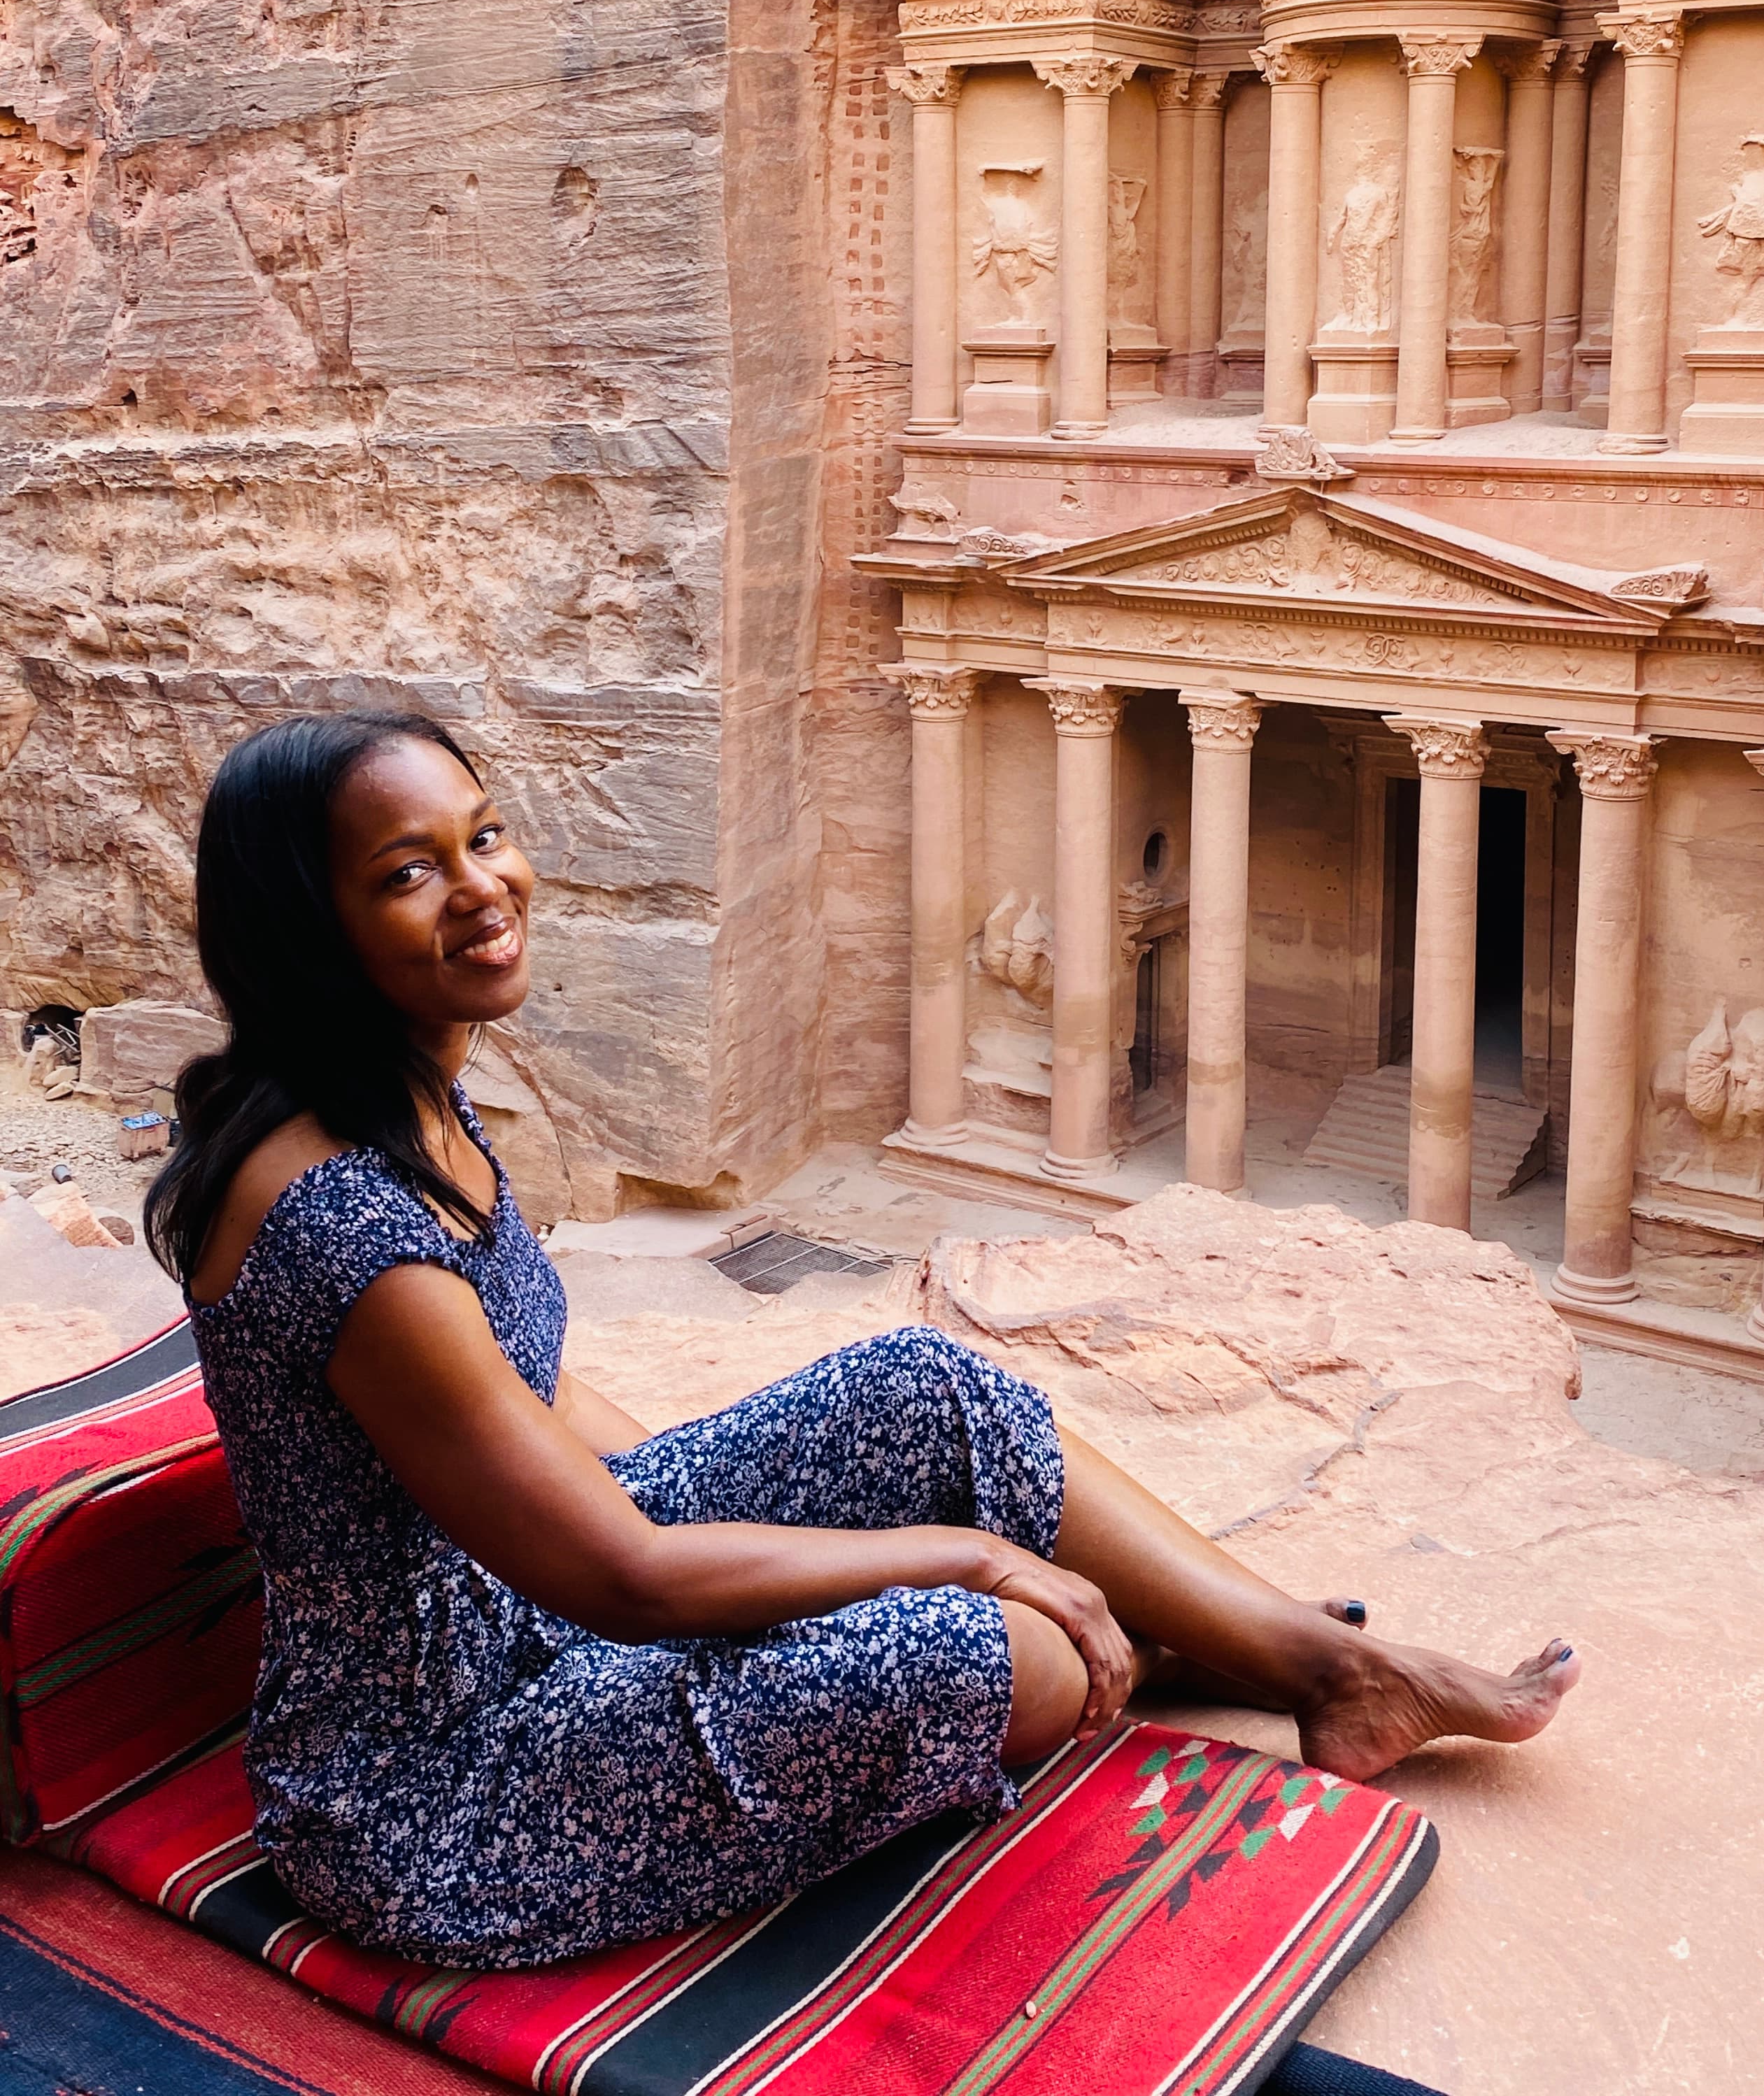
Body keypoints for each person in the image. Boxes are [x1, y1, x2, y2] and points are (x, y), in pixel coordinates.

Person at [147, 711, 1579, 1972]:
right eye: (409, 873)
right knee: (995, 1649)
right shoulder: (342, 1220)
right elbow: (624, 1576)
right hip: (443, 1784)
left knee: (924, 1393)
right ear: (309, 930)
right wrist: (961, 1552)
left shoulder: (401, 1092)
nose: (483, 887)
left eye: (484, 835)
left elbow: (540, 1406)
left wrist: (746, 1514)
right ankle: (1153, 1647)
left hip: (537, 1604)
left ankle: (1328, 1673)